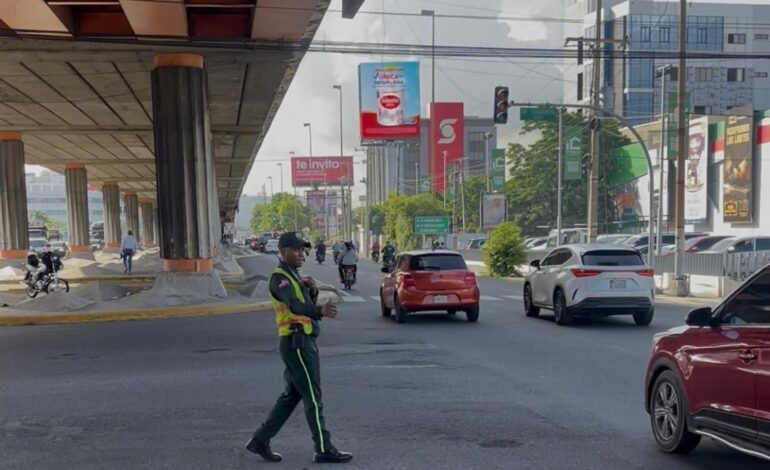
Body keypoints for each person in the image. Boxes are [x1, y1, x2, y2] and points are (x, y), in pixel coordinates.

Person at [246, 232, 352, 464]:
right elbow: (294, 306)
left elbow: (304, 304)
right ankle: (323, 448)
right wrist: (319, 310)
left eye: (302, 250)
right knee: (313, 397)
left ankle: (260, 440)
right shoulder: (280, 278)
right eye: (295, 250)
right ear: (282, 252)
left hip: (301, 340)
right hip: (297, 343)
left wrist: (312, 292)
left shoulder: (294, 276)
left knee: (291, 396)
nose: (300, 254)